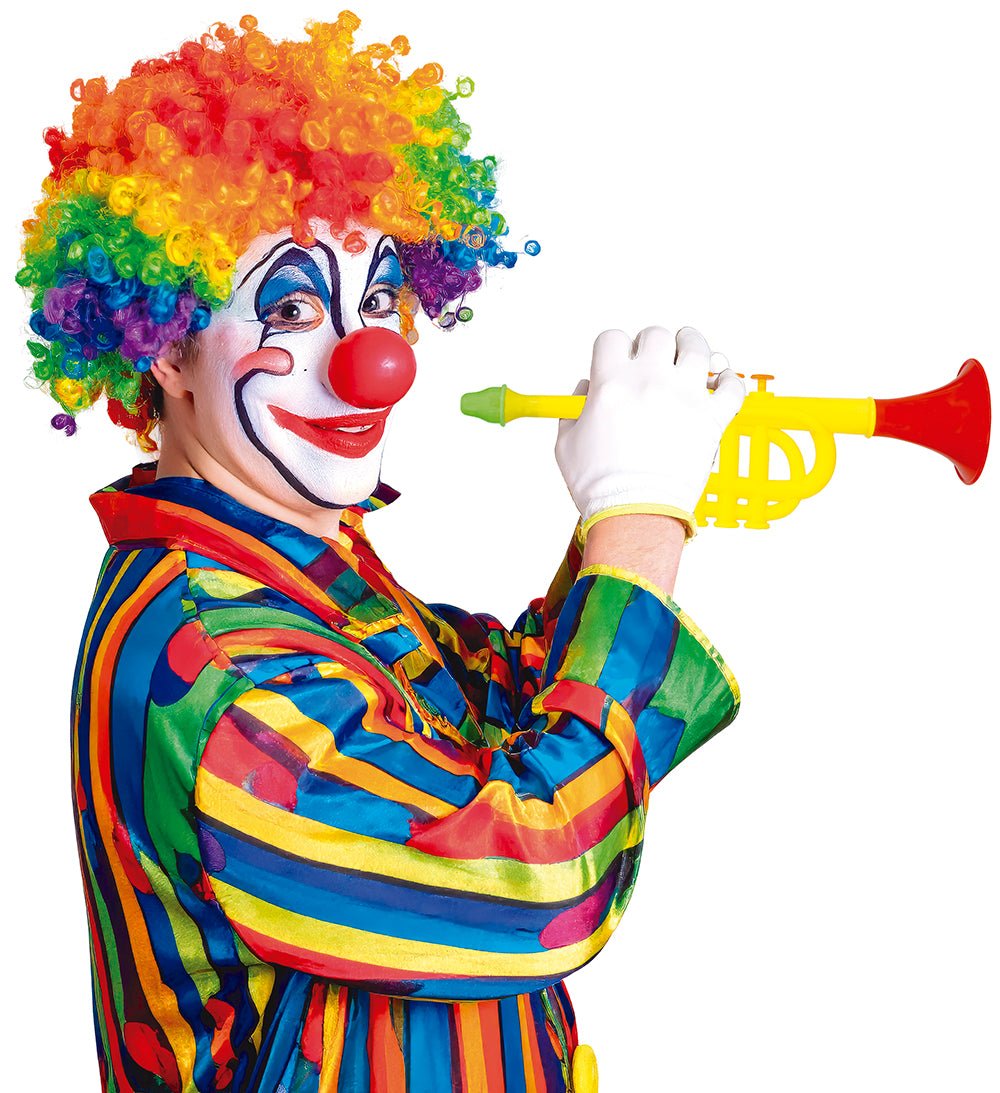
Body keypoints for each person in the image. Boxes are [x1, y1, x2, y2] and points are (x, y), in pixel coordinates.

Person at [19, 14, 745, 1091]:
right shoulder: (218, 663)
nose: (372, 359)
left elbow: (496, 718)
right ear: (166, 342)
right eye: (293, 306)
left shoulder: (301, 568)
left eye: (377, 299)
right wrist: (637, 509)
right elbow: (534, 875)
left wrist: (614, 515)